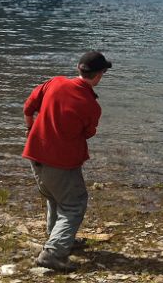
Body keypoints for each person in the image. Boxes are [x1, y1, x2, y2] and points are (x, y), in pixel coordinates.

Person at [21, 51, 112, 272]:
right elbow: (88, 133)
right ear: (99, 75)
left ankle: (59, 239)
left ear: (79, 69)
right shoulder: (91, 105)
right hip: (61, 162)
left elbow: (28, 107)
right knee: (74, 204)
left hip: (34, 154)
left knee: (55, 198)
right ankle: (53, 253)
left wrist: (30, 127)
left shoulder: (55, 82)